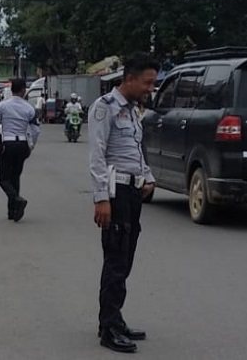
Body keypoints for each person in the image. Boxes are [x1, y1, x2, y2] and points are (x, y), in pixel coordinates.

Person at [88, 52, 158, 353]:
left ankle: (114, 318)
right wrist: (102, 198)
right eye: (147, 82)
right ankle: (109, 327)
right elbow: (97, 156)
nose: (150, 88)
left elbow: (135, 151)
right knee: (115, 261)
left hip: (132, 193)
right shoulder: (104, 108)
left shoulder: (131, 110)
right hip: (115, 194)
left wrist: (148, 176)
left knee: (125, 260)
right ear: (129, 78)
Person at [0, 79, 40, 222]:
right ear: (23, 90)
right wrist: (31, 146)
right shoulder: (29, 108)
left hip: (8, 144)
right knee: (15, 177)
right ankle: (13, 211)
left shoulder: (3, 106)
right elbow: (36, 131)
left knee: (3, 179)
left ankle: (17, 200)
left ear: (11, 90)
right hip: (22, 144)